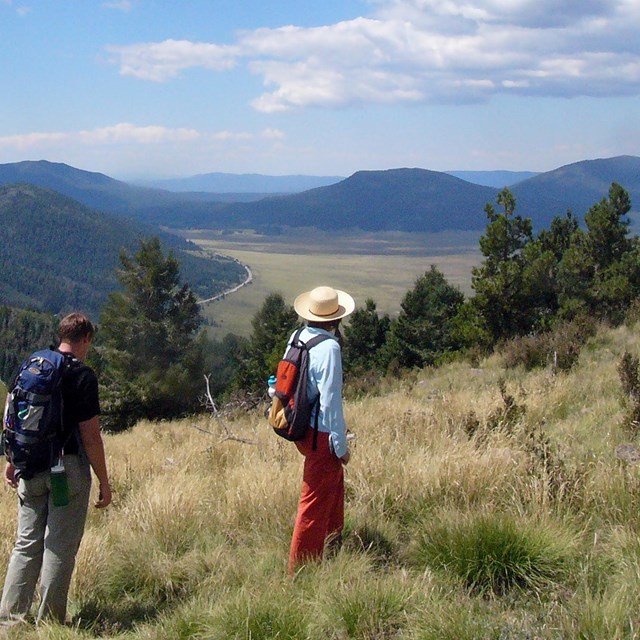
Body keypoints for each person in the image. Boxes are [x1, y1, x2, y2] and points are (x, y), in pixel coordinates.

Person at [0, 312, 112, 625]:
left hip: (29, 467)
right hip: (67, 468)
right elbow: (91, 437)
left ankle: (10, 620)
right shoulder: (82, 376)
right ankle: (49, 622)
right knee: (59, 546)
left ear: (61, 335)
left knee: (26, 543)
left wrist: (11, 459)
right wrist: (104, 482)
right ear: (86, 338)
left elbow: (12, 413)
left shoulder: (32, 365)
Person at [287, 285, 355, 575]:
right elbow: (331, 402)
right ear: (336, 319)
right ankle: (301, 569)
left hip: (301, 429)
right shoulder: (330, 348)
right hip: (321, 435)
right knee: (313, 501)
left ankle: (333, 539)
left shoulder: (298, 336)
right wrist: (340, 446)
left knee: (332, 483)